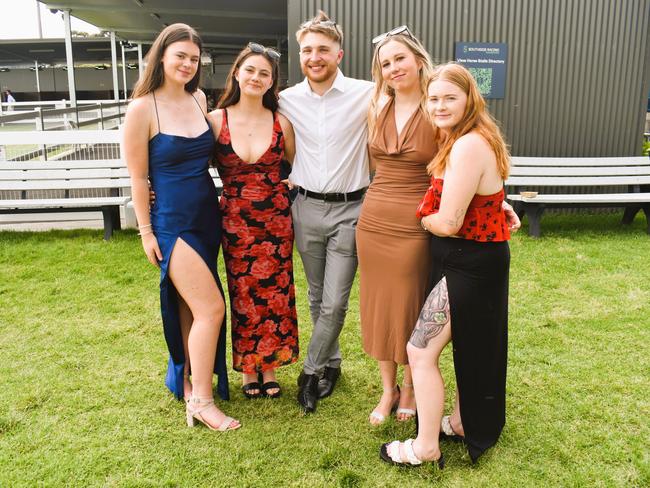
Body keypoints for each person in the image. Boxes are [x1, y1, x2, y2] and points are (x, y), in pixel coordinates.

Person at [380, 62, 512, 467]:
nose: (439, 105)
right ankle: (459, 422)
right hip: (469, 258)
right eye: (433, 98)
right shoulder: (461, 138)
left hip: (467, 261)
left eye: (449, 98)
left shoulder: (469, 143)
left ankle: (425, 447)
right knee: (469, 347)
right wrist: (498, 207)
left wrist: (422, 216)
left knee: (420, 351)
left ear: (469, 98)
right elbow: (479, 198)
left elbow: (450, 222)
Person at [123, 23, 240, 432]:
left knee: (191, 306)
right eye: (181, 56)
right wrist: (146, 231)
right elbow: (138, 178)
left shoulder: (199, 98)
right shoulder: (142, 108)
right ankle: (202, 403)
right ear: (162, 56)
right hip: (172, 223)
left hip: (207, 216)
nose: (188, 64)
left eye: (194, 58)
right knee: (212, 308)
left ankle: (191, 383)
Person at [279, 11, 374, 414]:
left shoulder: (367, 92)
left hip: (352, 208)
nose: (314, 57)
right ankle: (332, 364)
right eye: (306, 50)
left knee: (335, 302)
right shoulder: (285, 99)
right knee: (318, 297)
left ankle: (309, 373)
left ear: (339, 53)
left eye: (322, 49)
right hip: (304, 207)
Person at [356, 26, 436, 426]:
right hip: (373, 219)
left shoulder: (437, 106)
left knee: (409, 302)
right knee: (377, 304)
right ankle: (387, 388)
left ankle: (410, 386)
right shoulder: (376, 106)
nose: (393, 68)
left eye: (399, 59)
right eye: (385, 63)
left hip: (416, 221)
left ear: (419, 60)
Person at [210, 43, 298, 399]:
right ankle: (249, 369)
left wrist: (290, 183)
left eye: (264, 73)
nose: (256, 78)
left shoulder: (282, 122)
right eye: (250, 70)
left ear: (272, 82)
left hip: (275, 221)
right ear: (237, 73)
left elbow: (297, 167)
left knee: (275, 293)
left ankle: (271, 366)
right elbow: (189, 165)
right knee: (243, 294)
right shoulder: (216, 121)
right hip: (234, 222)